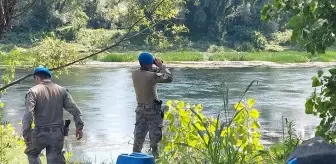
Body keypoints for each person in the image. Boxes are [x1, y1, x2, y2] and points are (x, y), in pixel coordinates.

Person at [22, 66, 84, 164]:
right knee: (55, 159)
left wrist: (26, 133)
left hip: (40, 134)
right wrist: (79, 127)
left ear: (37, 77)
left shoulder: (33, 91)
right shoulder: (62, 90)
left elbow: (28, 114)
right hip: (57, 134)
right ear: (48, 77)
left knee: (32, 154)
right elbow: (75, 110)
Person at [132, 52, 173, 157]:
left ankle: (135, 160)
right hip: (153, 112)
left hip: (140, 111)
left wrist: (154, 66)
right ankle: (155, 159)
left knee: (138, 140)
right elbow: (168, 78)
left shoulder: (135, 73)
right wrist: (161, 66)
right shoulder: (151, 76)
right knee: (155, 141)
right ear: (150, 63)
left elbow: (149, 70)